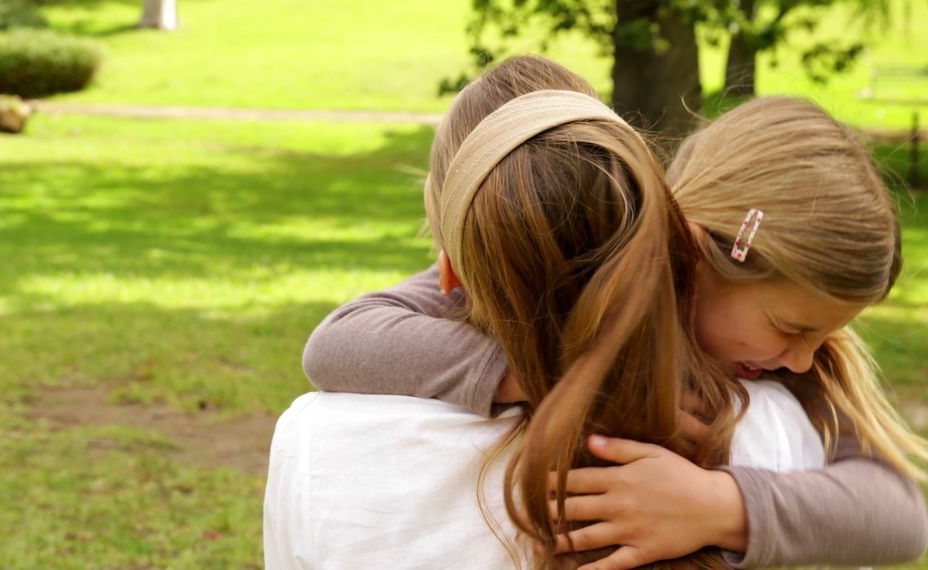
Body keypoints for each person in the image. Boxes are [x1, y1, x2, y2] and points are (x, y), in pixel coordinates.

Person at [297, 55, 928, 567]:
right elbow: (339, 342)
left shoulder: (790, 366)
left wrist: (721, 506)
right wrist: (565, 372)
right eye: (793, 328)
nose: (804, 357)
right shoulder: (574, 271)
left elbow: (900, 512)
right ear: (700, 249)